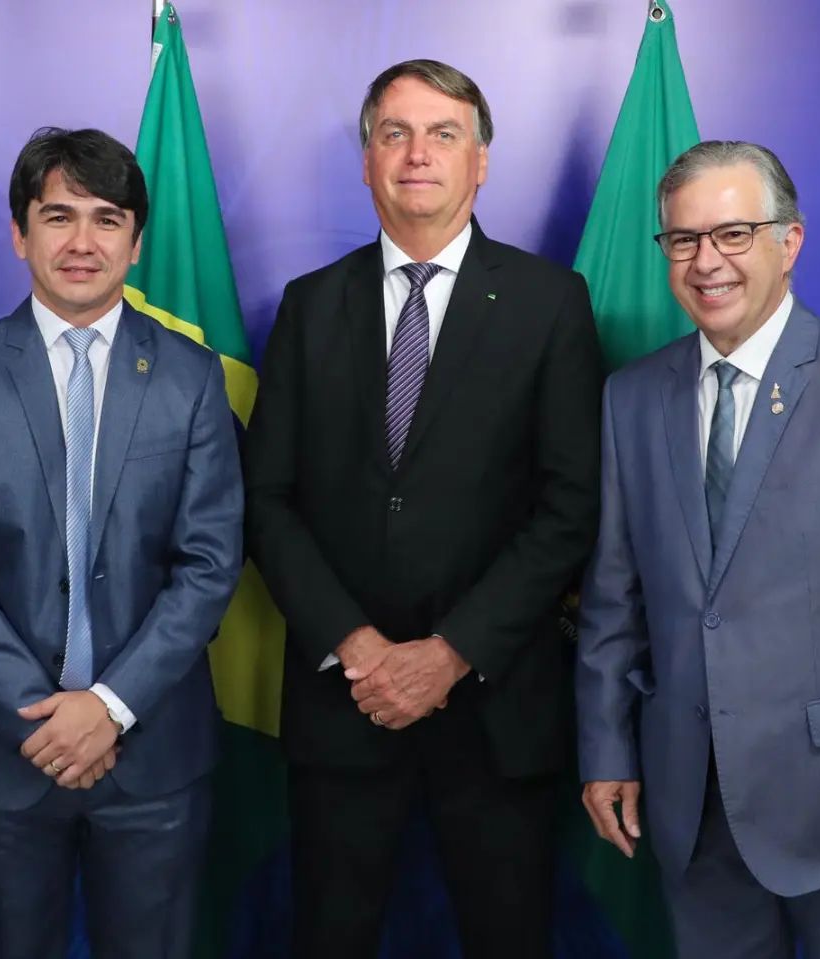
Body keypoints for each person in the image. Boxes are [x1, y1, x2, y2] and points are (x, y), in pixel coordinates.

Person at [243, 59, 603, 958]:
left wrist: (450, 654)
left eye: (444, 134)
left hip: (494, 707)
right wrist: (359, 649)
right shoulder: (308, 305)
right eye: (393, 133)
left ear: (481, 163)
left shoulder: (550, 303)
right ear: (365, 161)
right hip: (344, 705)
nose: (417, 154)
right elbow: (267, 498)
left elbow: (570, 505)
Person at [576, 139, 820, 958]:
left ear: (789, 243)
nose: (706, 261)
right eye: (683, 239)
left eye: (734, 234)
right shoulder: (631, 398)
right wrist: (608, 748)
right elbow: (615, 599)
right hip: (691, 810)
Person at [0, 126, 242, 959]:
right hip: (7, 749)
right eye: (58, 217)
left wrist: (109, 705)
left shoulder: (192, 377)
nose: (83, 242)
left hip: (155, 748)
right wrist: (44, 720)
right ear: (20, 233)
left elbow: (208, 563)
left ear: (136, 240)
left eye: (106, 218)